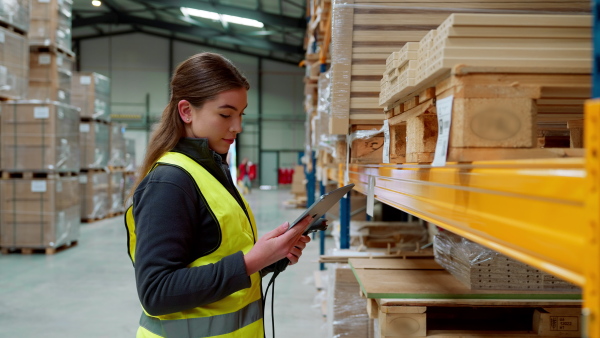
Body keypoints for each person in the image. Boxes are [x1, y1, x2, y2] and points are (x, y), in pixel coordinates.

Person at [124, 52, 312, 338]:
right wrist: (251, 261)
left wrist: (270, 257)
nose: (237, 127)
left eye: (241, 114)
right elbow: (156, 291)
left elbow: (212, 260)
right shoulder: (170, 182)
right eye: (225, 114)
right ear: (186, 111)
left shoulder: (211, 171)